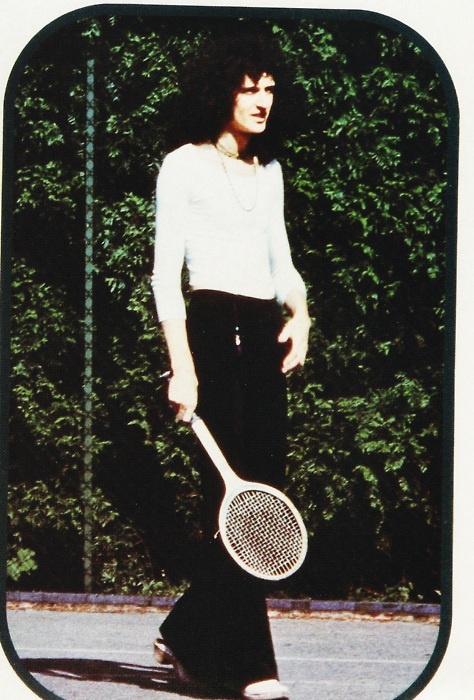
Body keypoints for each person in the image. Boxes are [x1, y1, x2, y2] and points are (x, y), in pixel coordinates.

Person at [151, 28, 311, 700]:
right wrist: (182, 368)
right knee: (234, 503)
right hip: (213, 338)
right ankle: (254, 668)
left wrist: (301, 314)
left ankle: (186, 629)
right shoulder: (182, 165)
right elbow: (165, 279)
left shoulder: (268, 173)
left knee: (261, 502)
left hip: (263, 344)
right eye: (249, 88)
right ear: (221, 90)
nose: (261, 100)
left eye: (269, 88)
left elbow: (283, 265)